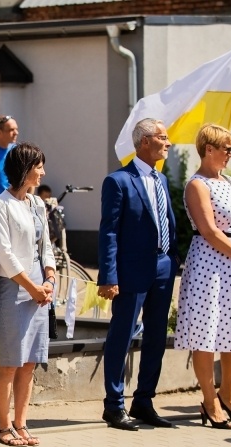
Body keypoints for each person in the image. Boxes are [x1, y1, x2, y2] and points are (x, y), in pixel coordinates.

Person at [97, 118, 179, 431]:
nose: (168, 143)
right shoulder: (118, 181)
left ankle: (144, 401)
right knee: (122, 334)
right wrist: (109, 275)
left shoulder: (160, 180)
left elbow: (167, 222)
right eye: (163, 137)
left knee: (157, 336)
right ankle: (114, 405)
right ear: (144, 142)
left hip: (163, 267)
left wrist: (172, 260)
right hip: (131, 271)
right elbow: (109, 232)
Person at [175, 124, 231, 429]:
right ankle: (209, 400)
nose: (230, 155)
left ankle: (228, 394)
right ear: (209, 149)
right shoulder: (197, 185)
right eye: (227, 149)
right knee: (206, 334)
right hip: (210, 266)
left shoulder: (230, 181)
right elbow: (209, 230)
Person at [0, 142, 56, 447]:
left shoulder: (36, 204)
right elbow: (3, 253)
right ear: (24, 169)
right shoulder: (0, 204)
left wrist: (50, 278)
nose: (42, 172)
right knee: (9, 362)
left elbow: (46, 246)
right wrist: (32, 287)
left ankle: (21, 422)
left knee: (29, 361)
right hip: (14, 288)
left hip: (39, 289)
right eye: (38, 166)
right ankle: (3, 426)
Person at [0, 115, 19, 200]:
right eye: (11, 130)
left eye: (16, 129)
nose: (16, 132)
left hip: (13, 203)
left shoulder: (17, 151)